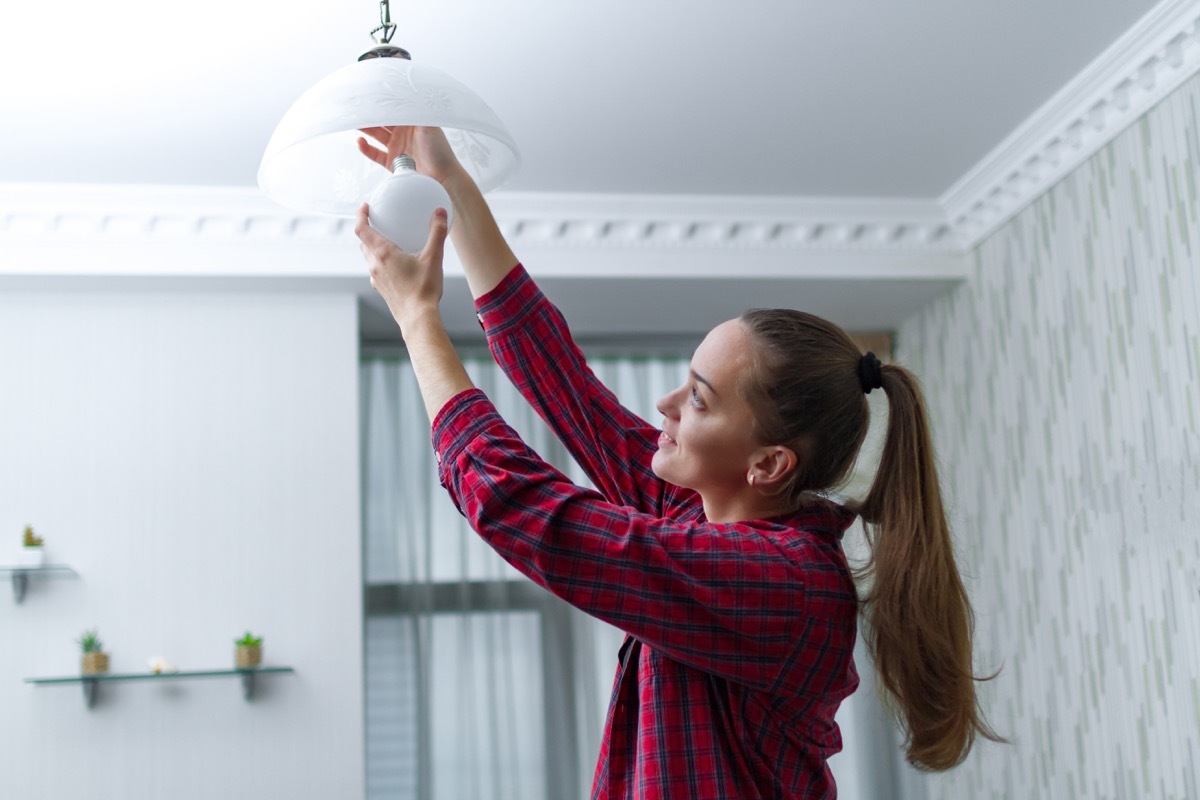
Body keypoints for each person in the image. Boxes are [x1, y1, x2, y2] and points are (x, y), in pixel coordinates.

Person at [353, 126, 1002, 799]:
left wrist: (418, 318)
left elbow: (518, 507)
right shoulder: (704, 518)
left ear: (769, 464)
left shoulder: (783, 582)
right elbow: (563, 382)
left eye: (697, 398)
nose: (665, 404)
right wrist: (449, 182)